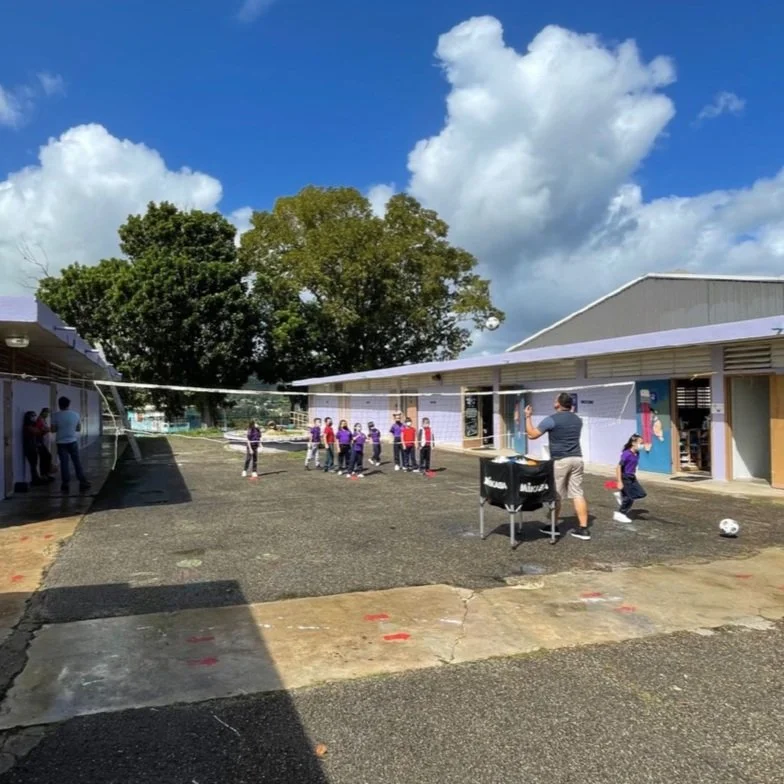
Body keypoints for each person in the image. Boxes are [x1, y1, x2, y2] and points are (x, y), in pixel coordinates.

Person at [524, 392, 590, 540]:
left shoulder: (552, 420)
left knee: (556, 495)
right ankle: (584, 529)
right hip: (577, 459)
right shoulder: (578, 420)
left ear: (558, 404)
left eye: (555, 400)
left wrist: (528, 417)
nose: (554, 401)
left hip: (561, 461)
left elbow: (532, 434)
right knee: (577, 493)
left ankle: (553, 526)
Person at [51, 396, 90, 493]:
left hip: (61, 442)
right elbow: (78, 429)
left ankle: (65, 484)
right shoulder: (75, 415)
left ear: (59, 405)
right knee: (77, 462)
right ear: (68, 404)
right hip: (72, 441)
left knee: (64, 463)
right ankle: (82, 481)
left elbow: (53, 430)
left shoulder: (55, 416)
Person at [614, 434, 647, 523]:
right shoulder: (626, 454)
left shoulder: (637, 453)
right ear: (633, 443)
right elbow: (618, 467)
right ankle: (620, 514)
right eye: (640, 443)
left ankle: (622, 495)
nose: (642, 445)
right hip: (625, 477)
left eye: (642, 443)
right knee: (630, 498)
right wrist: (619, 481)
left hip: (632, 476)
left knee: (641, 493)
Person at [22, 411, 47, 486]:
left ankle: (36, 478)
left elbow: (39, 432)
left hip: (33, 446)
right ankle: (35, 479)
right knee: (33, 464)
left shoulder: (32, 425)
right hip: (29, 447)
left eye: (34, 416)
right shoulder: (27, 426)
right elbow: (37, 432)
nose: (34, 418)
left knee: (34, 464)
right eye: (32, 416)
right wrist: (43, 429)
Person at [35, 407, 54, 476]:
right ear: (43, 412)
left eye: (48, 413)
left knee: (46, 457)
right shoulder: (39, 420)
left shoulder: (43, 420)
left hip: (45, 441)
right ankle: (44, 474)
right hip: (41, 441)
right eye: (46, 412)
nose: (47, 414)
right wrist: (48, 429)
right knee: (45, 457)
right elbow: (41, 429)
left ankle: (46, 473)